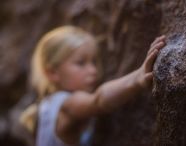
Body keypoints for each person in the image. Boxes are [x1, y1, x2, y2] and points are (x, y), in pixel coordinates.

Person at [20, 25, 166, 146]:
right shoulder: (66, 104)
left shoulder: (48, 105)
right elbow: (98, 100)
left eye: (94, 62)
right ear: (52, 73)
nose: (93, 70)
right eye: (81, 63)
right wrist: (137, 78)